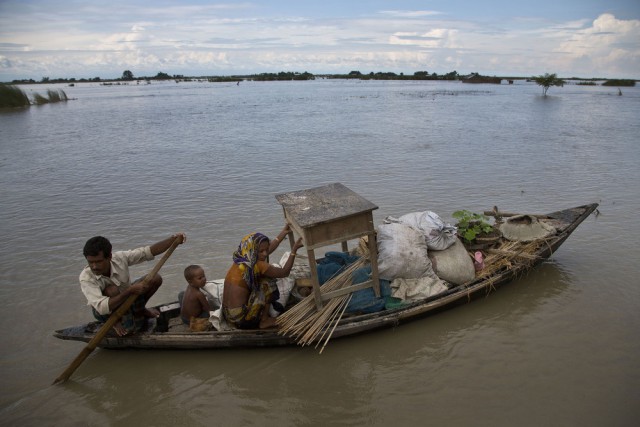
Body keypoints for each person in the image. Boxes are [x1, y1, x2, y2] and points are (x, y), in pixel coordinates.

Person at [79, 233, 186, 336]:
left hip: (127, 298)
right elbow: (102, 308)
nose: (94, 266)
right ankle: (115, 322)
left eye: (98, 261)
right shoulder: (86, 277)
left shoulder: (119, 258)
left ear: (109, 257)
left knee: (155, 278)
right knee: (112, 291)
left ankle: (141, 309)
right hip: (106, 312)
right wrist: (129, 291)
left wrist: (173, 239)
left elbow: (148, 252)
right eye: (90, 262)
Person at [222, 224, 303, 329]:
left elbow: (265, 251)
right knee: (267, 282)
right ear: (254, 250)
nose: (265, 254)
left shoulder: (242, 256)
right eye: (261, 251)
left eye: (266, 249)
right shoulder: (258, 265)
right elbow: (284, 273)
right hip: (241, 320)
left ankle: (259, 315)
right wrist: (293, 251)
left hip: (228, 315)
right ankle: (264, 320)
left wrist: (283, 233)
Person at [180, 265, 211, 329]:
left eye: (204, 276)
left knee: (181, 294)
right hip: (192, 321)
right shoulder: (199, 294)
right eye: (200, 278)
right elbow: (208, 309)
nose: (204, 279)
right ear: (190, 282)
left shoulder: (189, 287)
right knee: (209, 313)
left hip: (183, 318)